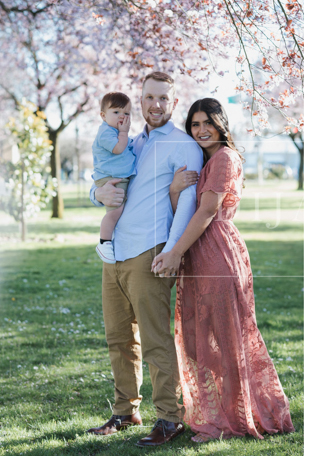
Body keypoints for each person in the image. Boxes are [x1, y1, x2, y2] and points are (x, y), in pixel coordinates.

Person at [150, 98, 295, 443]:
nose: (200, 130)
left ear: (220, 124)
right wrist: (173, 190)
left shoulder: (225, 158)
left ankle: (229, 420)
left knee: (224, 338)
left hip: (215, 251)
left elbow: (207, 212)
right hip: (196, 253)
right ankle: (220, 412)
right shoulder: (204, 160)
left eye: (207, 123)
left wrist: (173, 254)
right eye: (195, 124)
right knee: (198, 343)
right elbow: (185, 210)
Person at [86, 71, 203, 447]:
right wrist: (96, 194)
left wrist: (172, 251)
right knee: (118, 337)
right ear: (140, 100)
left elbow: (186, 202)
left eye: (163, 98)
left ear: (173, 101)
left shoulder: (184, 146)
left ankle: (169, 418)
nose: (155, 105)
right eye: (149, 97)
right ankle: (125, 410)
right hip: (116, 251)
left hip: (150, 252)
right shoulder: (132, 142)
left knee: (154, 339)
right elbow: (106, 180)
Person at [92, 92, 136, 264]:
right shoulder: (105, 133)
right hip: (110, 179)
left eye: (126, 113)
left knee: (118, 210)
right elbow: (118, 148)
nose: (122, 117)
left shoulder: (114, 131)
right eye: (116, 112)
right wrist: (124, 133)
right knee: (114, 211)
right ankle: (104, 243)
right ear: (103, 116)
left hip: (117, 177)